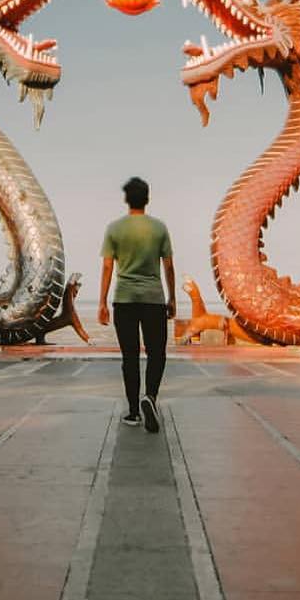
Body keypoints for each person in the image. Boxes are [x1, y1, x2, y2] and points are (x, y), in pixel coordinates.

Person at [98, 175, 176, 432]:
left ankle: (133, 412)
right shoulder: (159, 228)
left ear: (126, 199)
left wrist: (102, 302)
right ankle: (150, 396)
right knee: (157, 353)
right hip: (153, 299)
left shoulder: (114, 228)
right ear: (147, 198)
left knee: (129, 357)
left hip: (124, 300)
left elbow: (108, 267)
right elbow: (169, 266)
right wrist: (172, 297)